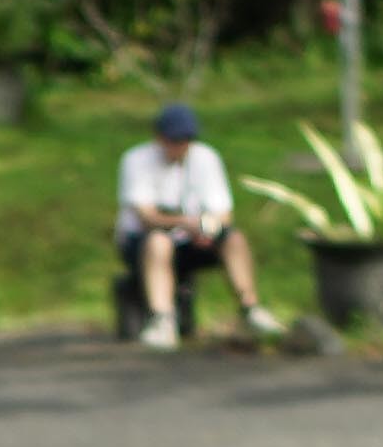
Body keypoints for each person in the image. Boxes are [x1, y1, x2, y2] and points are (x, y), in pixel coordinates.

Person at [115, 99, 284, 350]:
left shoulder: (205, 158)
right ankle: (162, 318)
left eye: (185, 140)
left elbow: (223, 212)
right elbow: (146, 217)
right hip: (142, 243)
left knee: (234, 239)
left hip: (192, 240)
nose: (180, 146)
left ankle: (250, 307)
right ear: (159, 138)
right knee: (159, 241)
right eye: (174, 140)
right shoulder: (136, 160)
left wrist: (207, 229)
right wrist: (185, 223)